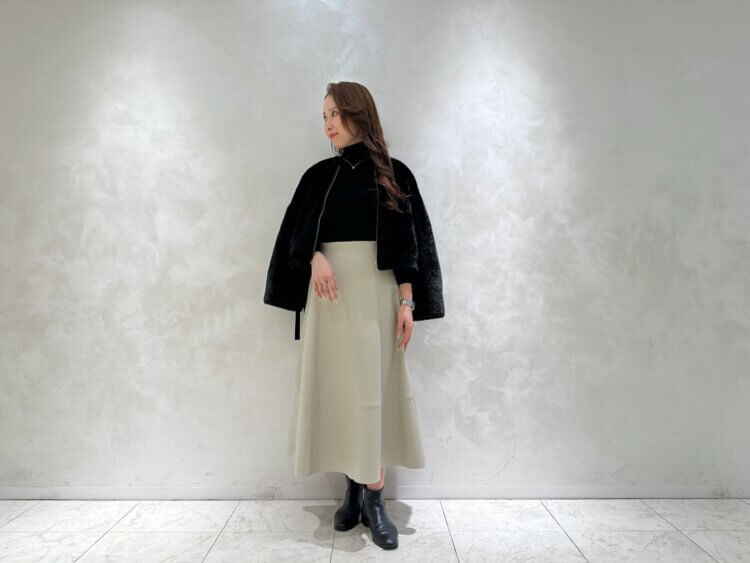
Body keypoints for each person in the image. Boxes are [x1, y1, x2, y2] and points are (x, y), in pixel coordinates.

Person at [263, 81, 444, 551]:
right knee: (343, 392)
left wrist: (407, 302)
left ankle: (374, 498)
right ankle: (353, 490)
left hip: (376, 298)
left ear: (358, 114)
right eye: (323, 115)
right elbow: (294, 236)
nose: (327, 124)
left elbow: (410, 245)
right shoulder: (317, 176)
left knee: (373, 393)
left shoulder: (395, 174)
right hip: (329, 300)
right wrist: (314, 257)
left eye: (334, 113)